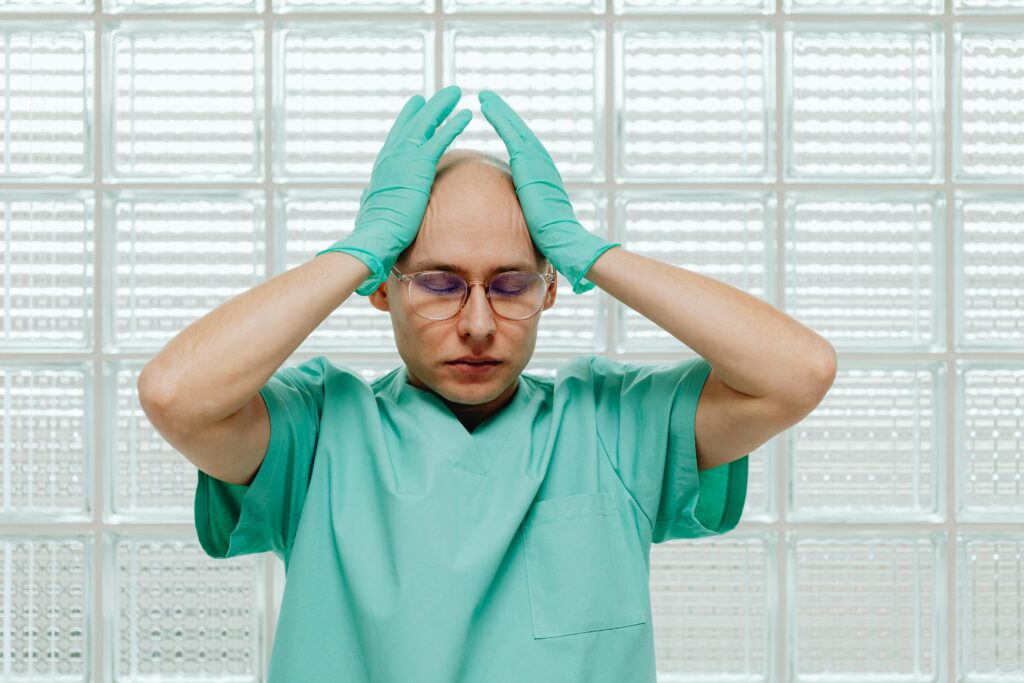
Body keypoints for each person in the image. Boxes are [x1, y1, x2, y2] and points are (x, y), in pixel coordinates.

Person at [138, 85, 836, 682]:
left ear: (552, 287)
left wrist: (587, 247)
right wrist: (359, 248)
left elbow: (797, 372)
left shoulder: (611, 426)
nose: (477, 323)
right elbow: (176, 394)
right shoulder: (318, 435)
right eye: (439, 283)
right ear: (382, 289)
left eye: (511, 283)